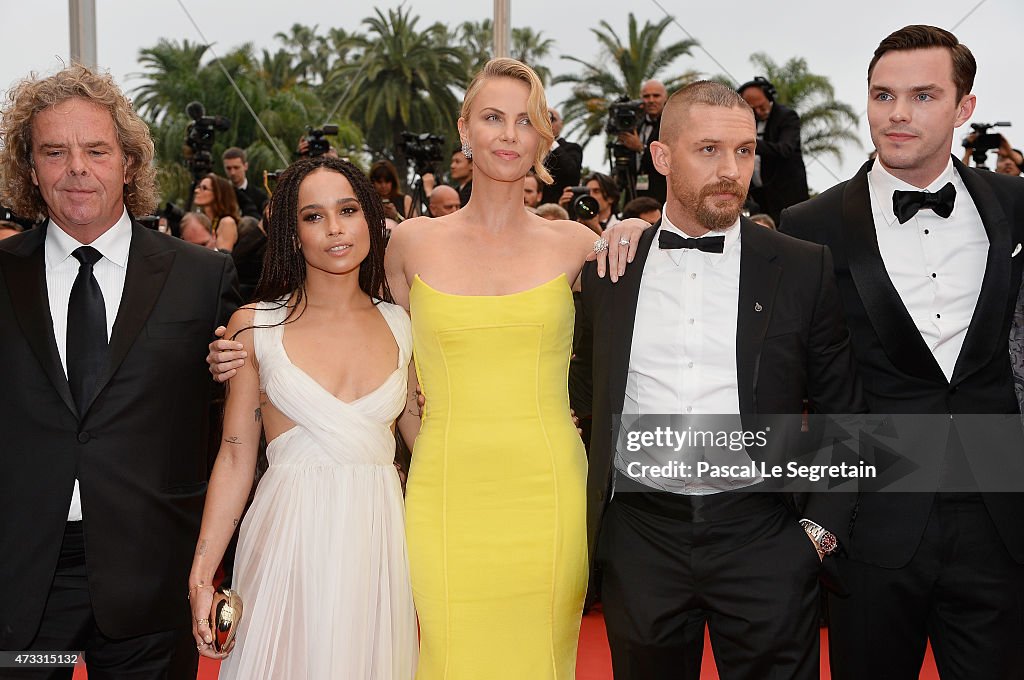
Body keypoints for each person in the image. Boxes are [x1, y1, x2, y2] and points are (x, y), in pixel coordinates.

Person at [208, 58, 649, 679]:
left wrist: (633, 224)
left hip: (547, 488)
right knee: (449, 656)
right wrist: (240, 344)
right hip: (446, 487)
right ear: (464, 128)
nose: (506, 133)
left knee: (543, 659)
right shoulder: (410, 243)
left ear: (543, 136)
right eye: (492, 117)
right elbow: (359, 330)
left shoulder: (582, 245)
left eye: (524, 121)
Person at [571, 80, 865, 680]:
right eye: (708, 150)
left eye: (745, 151)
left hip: (764, 534)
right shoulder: (608, 269)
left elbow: (844, 410)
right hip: (640, 537)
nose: (731, 170)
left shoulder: (802, 267)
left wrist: (817, 533)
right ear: (661, 157)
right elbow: (579, 396)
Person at [781, 25, 1024, 679]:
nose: (897, 114)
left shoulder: (1016, 207)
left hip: (1000, 521)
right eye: (883, 95)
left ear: (963, 107)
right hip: (870, 522)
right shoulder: (810, 226)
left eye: (922, 96)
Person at [0, 64, 239, 679]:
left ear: (128, 163)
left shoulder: (201, 278)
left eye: (96, 150)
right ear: (30, 169)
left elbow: (240, 422)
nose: (77, 168)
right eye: (55, 151)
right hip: (24, 591)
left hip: (151, 585)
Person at [188, 156, 418, 679]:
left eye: (348, 210)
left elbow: (429, 445)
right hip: (285, 541)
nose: (335, 228)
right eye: (313, 217)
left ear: (370, 220)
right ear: (291, 234)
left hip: (379, 544)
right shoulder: (253, 327)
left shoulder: (404, 325)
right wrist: (202, 576)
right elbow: (234, 456)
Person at [739, 77, 810, 223]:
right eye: (753, 109)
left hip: (788, 198)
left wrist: (748, 143)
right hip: (760, 198)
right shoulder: (748, 122)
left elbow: (785, 149)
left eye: (762, 107)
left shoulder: (787, 117)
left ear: (769, 97)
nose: (759, 112)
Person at [617, 79, 669, 204]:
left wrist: (640, 148)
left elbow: (668, 160)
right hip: (634, 197)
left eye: (656, 96)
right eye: (646, 96)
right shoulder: (635, 125)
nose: (651, 100)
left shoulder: (671, 125)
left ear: (665, 98)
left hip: (661, 196)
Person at [540, 107, 583, 205]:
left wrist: (551, 142)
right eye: (543, 119)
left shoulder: (572, 148)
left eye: (552, 119)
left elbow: (572, 172)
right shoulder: (530, 149)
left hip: (561, 208)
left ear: (561, 124)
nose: (548, 123)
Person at [193, 173, 241, 252]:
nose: (196, 191)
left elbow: (222, 259)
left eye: (204, 188)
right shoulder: (203, 220)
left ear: (218, 194)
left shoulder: (227, 222)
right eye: (198, 187)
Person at [222, 147, 267, 218]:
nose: (232, 172)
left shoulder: (260, 196)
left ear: (245, 166)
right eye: (228, 168)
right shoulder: (220, 194)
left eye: (236, 167)